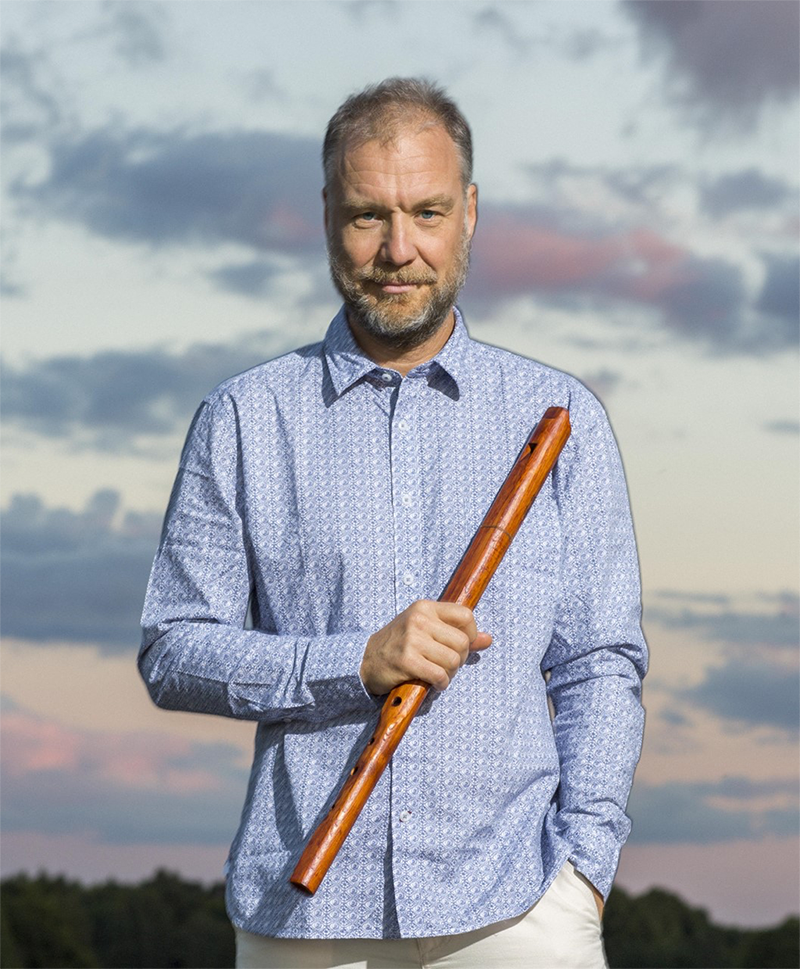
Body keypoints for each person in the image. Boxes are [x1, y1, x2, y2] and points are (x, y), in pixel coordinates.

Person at [139, 77, 647, 969]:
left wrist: (583, 872)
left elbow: (600, 662)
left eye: (428, 211)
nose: (398, 249)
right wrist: (354, 661)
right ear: (328, 212)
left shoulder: (560, 414)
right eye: (369, 215)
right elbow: (174, 651)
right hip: (301, 910)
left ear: (472, 214)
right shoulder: (244, 417)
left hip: (516, 907)